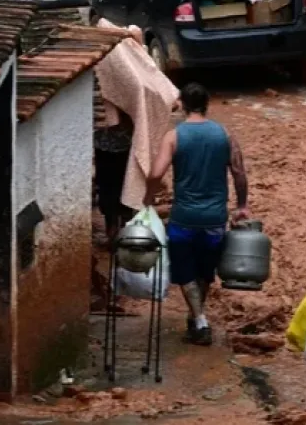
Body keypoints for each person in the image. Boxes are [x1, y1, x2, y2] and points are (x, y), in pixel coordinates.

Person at [143, 82, 249, 346]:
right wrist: (241, 206)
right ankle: (196, 319)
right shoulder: (225, 134)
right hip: (215, 219)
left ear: (182, 105)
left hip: (184, 218)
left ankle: (200, 320)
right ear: (207, 103)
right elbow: (239, 172)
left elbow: (156, 174)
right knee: (204, 271)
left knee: (185, 269)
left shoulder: (174, 136)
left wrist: (147, 200)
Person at [92, 108, 136, 311]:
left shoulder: (100, 133)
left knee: (110, 211)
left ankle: (113, 238)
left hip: (106, 166)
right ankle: (123, 247)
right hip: (125, 166)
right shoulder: (130, 132)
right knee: (124, 209)